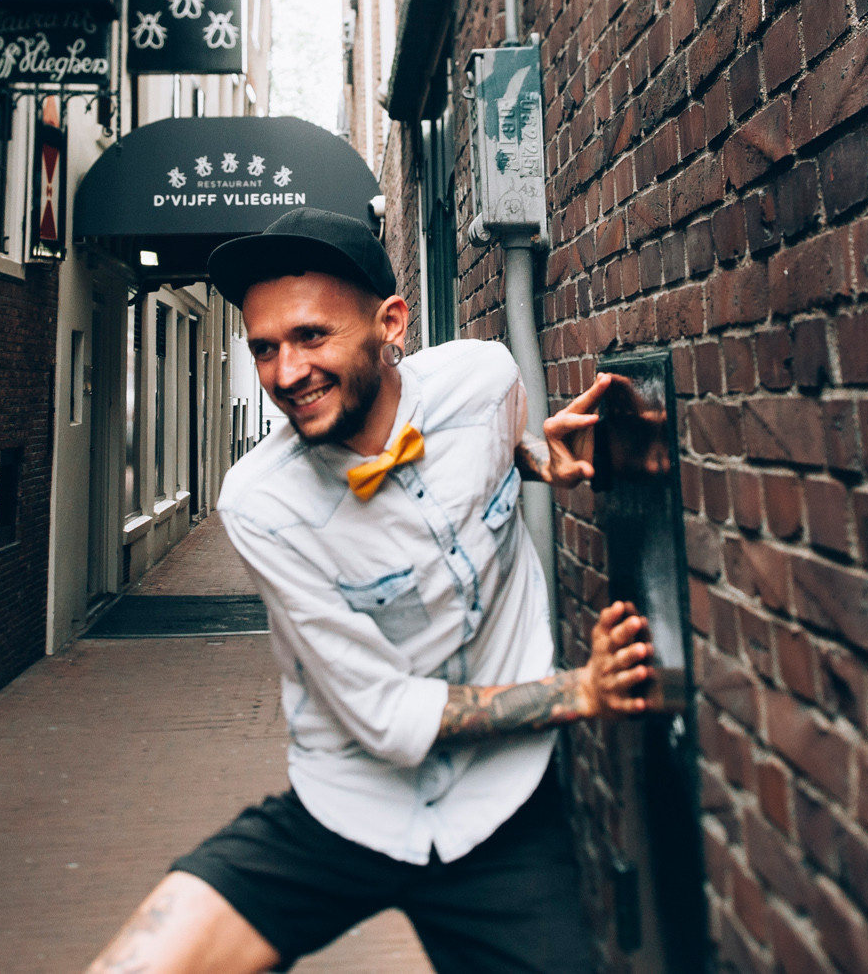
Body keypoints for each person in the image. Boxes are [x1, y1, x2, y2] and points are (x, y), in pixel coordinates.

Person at [86, 209, 649, 974]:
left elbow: (494, 444)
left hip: (504, 810)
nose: (286, 373)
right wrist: (578, 691)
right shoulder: (261, 503)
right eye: (264, 348)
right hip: (348, 805)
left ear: (390, 323)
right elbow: (385, 716)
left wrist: (526, 452)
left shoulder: (486, 383)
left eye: (312, 336)